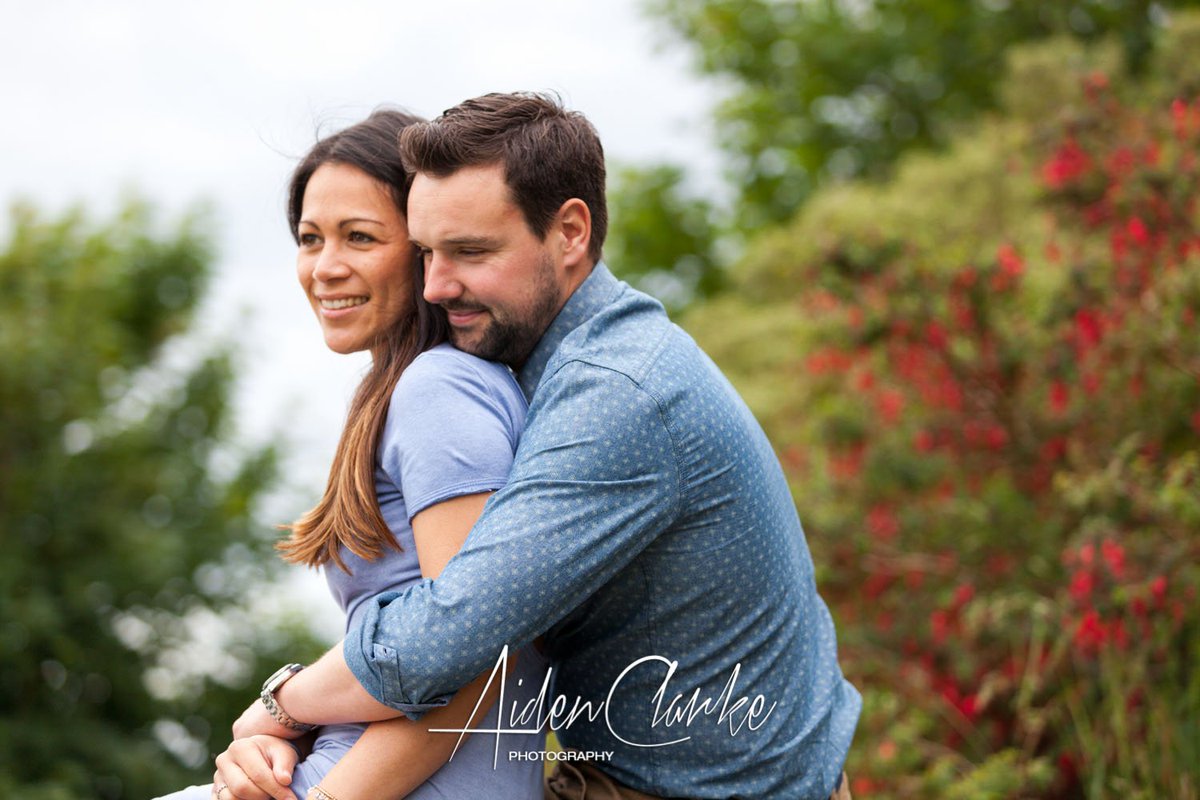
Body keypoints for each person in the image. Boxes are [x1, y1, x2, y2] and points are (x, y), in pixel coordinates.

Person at [231, 92, 861, 800]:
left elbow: (447, 639)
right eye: (426, 252)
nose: (435, 286)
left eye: (470, 252)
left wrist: (277, 707)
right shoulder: (554, 365)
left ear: (569, 233)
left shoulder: (616, 396)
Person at [155, 109, 546, 800]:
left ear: (425, 248)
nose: (325, 268)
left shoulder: (438, 387)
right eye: (310, 239)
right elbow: (412, 643)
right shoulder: (402, 391)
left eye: (359, 237)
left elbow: (482, 651)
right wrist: (283, 723)